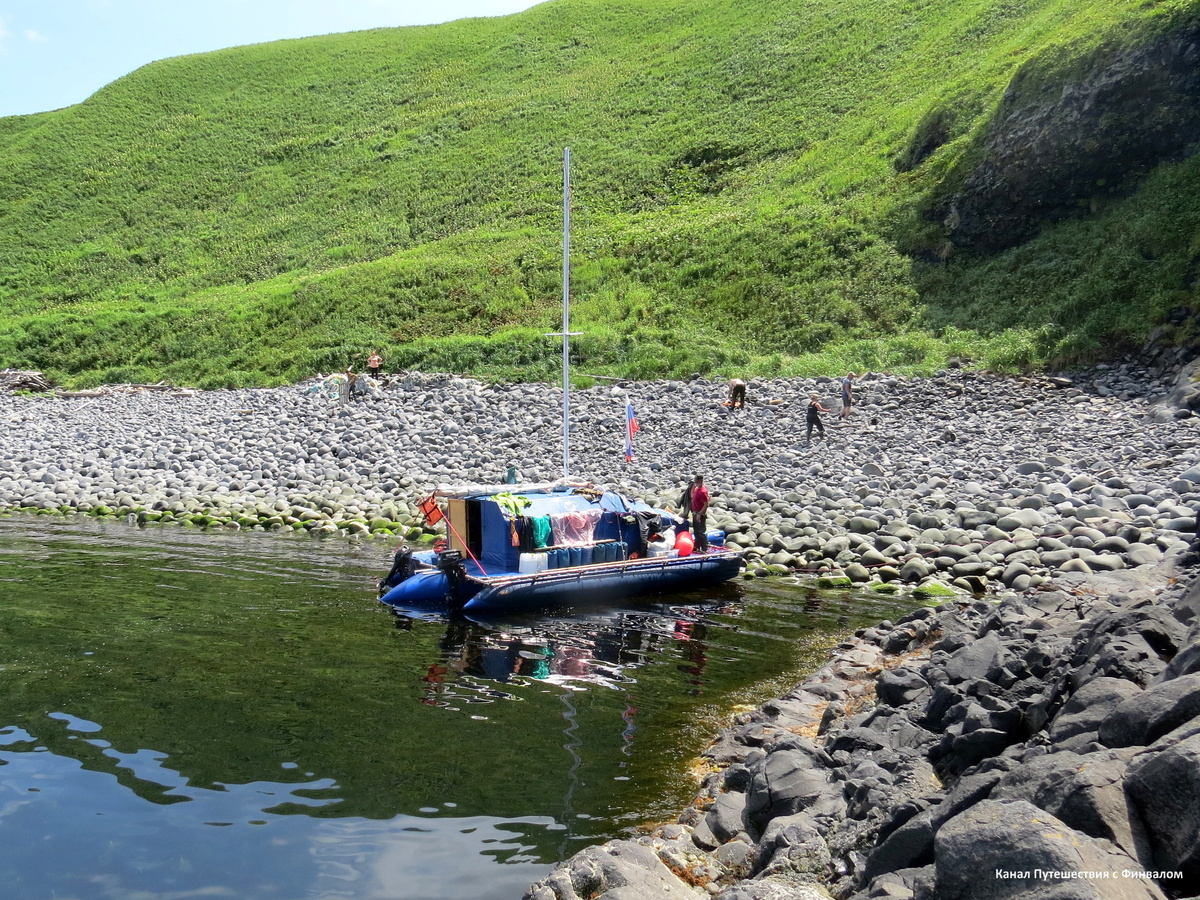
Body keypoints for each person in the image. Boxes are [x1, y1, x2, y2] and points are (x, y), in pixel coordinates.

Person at [689, 474, 710, 552]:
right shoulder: (696, 489)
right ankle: (697, 547)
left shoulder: (703, 491)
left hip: (699, 514)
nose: (695, 484)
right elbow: (692, 496)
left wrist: (699, 514)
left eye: (697, 482)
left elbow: (706, 504)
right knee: (696, 531)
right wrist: (693, 487)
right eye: (695, 482)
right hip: (695, 513)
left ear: (701, 481)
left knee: (701, 532)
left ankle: (704, 549)